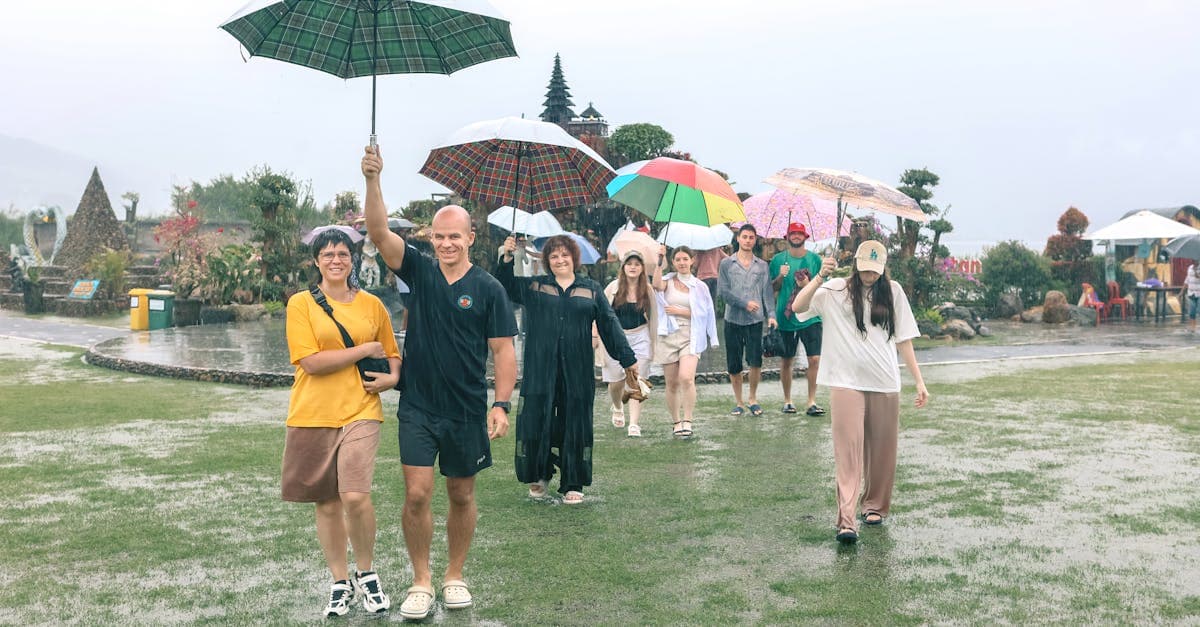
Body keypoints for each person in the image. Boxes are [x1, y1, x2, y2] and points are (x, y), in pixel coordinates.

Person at [361, 146, 518, 620]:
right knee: (416, 494)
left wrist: (502, 404)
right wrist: (373, 179)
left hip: (467, 407)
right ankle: (421, 580)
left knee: (462, 494)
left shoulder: (490, 289)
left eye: (456, 236)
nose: (447, 244)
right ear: (430, 238)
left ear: (472, 237)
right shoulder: (419, 271)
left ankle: (454, 575)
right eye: (440, 236)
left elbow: (504, 351)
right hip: (419, 407)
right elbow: (377, 232)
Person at [283, 227, 401, 618]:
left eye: (343, 254)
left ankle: (367, 574)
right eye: (328, 254)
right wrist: (362, 349)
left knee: (354, 495)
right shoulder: (300, 304)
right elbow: (311, 363)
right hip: (312, 412)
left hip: (360, 408)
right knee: (328, 502)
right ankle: (339, 582)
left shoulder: (372, 305)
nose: (336, 260)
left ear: (353, 259)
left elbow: (391, 351)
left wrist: (393, 376)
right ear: (316, 261)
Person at [791, 240, 929, 544]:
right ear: (855, 264)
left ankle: (875, 506)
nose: (870, 275)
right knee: (848, 451)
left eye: (875, 271)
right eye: (865, 269)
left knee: (882, 451)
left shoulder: (893, 291)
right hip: (845, 381)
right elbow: (798, 307)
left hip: (884, 381)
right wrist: (819, 277)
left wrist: (918, 380)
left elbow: (904, 338)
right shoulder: (835, 288)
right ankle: (847, 520)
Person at [497, 234, 637, 504]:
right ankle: (539, 475)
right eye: (554, 256)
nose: (560, 260)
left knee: (576, 421)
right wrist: (506, 257)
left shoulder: (591, 289)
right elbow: (504, 287)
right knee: (538, 418)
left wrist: (627, 358)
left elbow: (609, 325)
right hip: (540, 366)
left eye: (564, 255)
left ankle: (573, 481)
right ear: (547, 261)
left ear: (574, 257)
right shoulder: (536, 286)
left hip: (578, 369)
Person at [652, 245, 719, 438]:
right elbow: (656, 285)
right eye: (678, 259)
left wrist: (680, 311)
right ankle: (676, 421)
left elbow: (706, 313)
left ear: (692, 260)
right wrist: (659, 261)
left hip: (691, 333)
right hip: (668, 333)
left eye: (685, 259)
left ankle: (688, 420)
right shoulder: (668, 281)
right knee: (671, 383)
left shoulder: (700, 286)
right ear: (673, 262)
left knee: (686, 377)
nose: (682, 263)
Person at [718, 224, 777, 416]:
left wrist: (772, 316)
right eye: (744, 237)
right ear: (738, 239)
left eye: (751, 237)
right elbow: (723, 292)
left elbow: (767, 292)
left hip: (755, 321)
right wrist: (744, 303)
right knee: (734, 363)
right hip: (732, 320)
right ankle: (739, 401)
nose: (748, 240)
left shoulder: (762, 265)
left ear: (755, 240)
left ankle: (752, 398)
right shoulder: (727, 264)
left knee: (755, 361)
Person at [601, 249, 659, 437]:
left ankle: (634, 423)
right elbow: (599, 313)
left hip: (640, 335)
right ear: (623, 267)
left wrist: (661, 260)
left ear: (642, 268)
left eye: (637, 264)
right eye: (629, 264)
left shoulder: (647, 290)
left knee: (637, 377)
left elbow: (654, 314)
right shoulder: (613, 288)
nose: (633, 267)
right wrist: (595, 335)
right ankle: (617, 406)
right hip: (616, 338)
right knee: (616, 379)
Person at [769, 223, 825, 416]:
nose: (796, 236)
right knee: (786, 360)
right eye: (792, 233)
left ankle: (811, 401)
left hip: (810, 316)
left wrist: (807, 284)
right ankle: (787, 400)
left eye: (799, 233)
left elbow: (821, 288)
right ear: (787, 236)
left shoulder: (815, 259)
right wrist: (780, 277)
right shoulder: (777, 260)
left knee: (815, 359)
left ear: (805, 236)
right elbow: (771, 289)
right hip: (785, 318)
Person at [1184, 260, 1200, 333]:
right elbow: (1187, 279)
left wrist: (1197, 273)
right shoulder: (1190, 267)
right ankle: (1192, 327)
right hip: (1191, 292)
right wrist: (1181, 292)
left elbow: (1198, 277)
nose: (1193, 261)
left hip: (1199, 293)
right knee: (1192, 312)